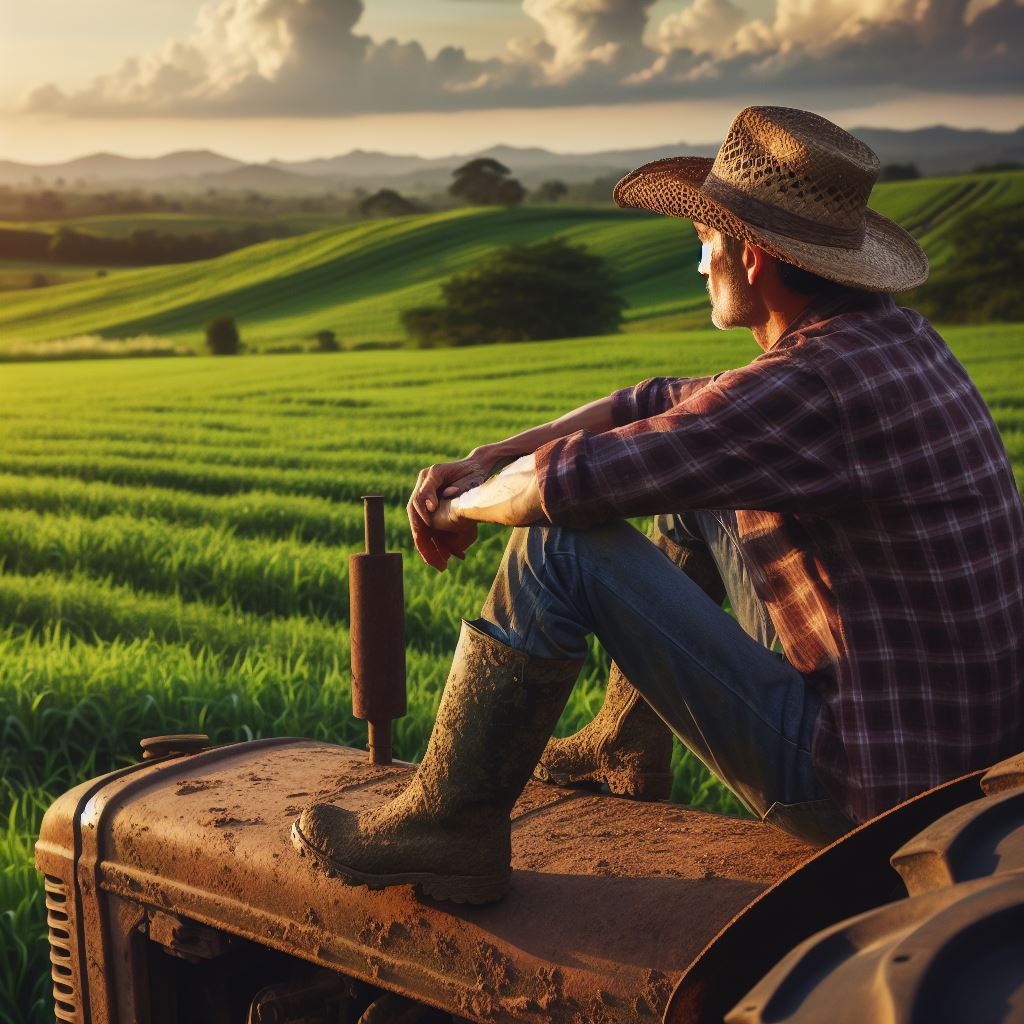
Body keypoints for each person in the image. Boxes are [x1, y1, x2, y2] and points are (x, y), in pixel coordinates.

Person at [292, 106, 1024, 904]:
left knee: (559, 547)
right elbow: (656, 403)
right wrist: (493, 455)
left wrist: (461, 505)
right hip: (956, 763)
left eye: (704, 241)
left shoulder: (810, 386)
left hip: (875, 793)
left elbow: (563, 488)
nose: (698, 264)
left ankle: (451, 825)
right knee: (692, 496)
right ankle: (622, 740)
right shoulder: (891, 339)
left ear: (751, 255)